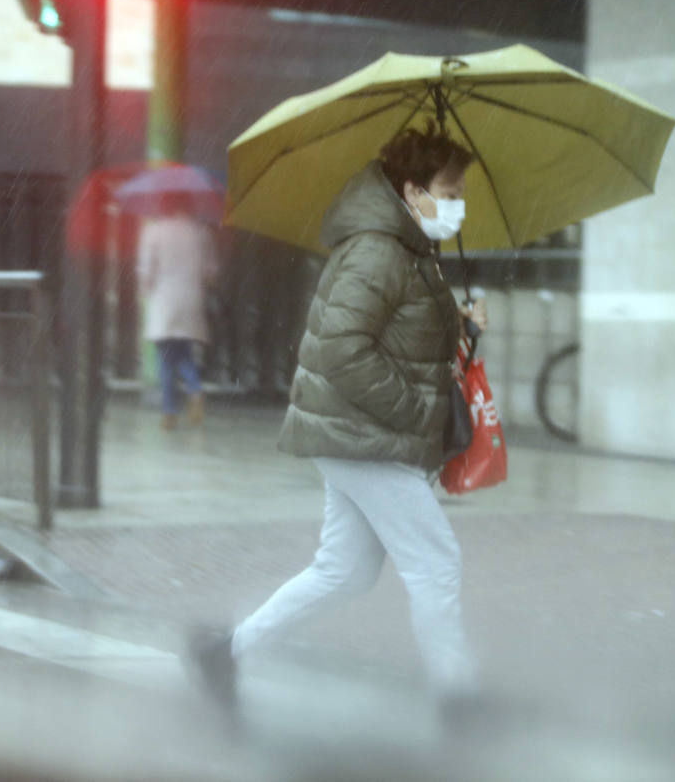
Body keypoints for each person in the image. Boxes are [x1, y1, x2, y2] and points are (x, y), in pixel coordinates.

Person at [191, 121, 488, 713]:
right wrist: (409, 413)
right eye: (449, 192)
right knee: (435, 563)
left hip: (356, 432)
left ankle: (227, 653)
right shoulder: (379, 250)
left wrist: (463, 328)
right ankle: (459, 700)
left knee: (344, 570)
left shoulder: (407, 250)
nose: (458, 205)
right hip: (366, 435)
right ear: (413, 193)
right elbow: (340, 350)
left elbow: (398, 337)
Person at [138, 193, 218, 430]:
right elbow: (210, 271)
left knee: (166, 356)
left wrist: (145, 291)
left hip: (164, 300)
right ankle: (194, 390)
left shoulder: (154, 232)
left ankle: (170, 411)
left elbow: (146, 270)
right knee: (184, 351)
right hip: (191, 299)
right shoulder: (200, 232)